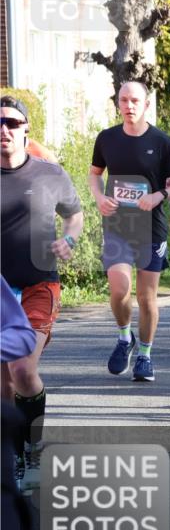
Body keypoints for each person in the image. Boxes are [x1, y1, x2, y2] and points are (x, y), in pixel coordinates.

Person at [2, 98, 83, 491]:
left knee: (22, 371)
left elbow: (75, 213)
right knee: (3, 385)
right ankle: (15, 456)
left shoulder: (50, 174)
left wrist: (69, 238)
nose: (4, 130)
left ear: (25, 129)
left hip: (38, 285)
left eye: (12, 123)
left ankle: (33, 451)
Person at [90, 81, 170, 383]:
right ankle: (124, 338)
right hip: (117, 226)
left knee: (147, 298)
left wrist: (159, 195)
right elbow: (95, 174)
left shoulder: (161, 141)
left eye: (135, 100)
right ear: (117, 103)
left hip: (150, 229)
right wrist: (98, 197)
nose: (128, 106)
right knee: (119, 290)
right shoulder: (107, 138)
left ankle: (145, 355)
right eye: (123, 100)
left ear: (146, 104)